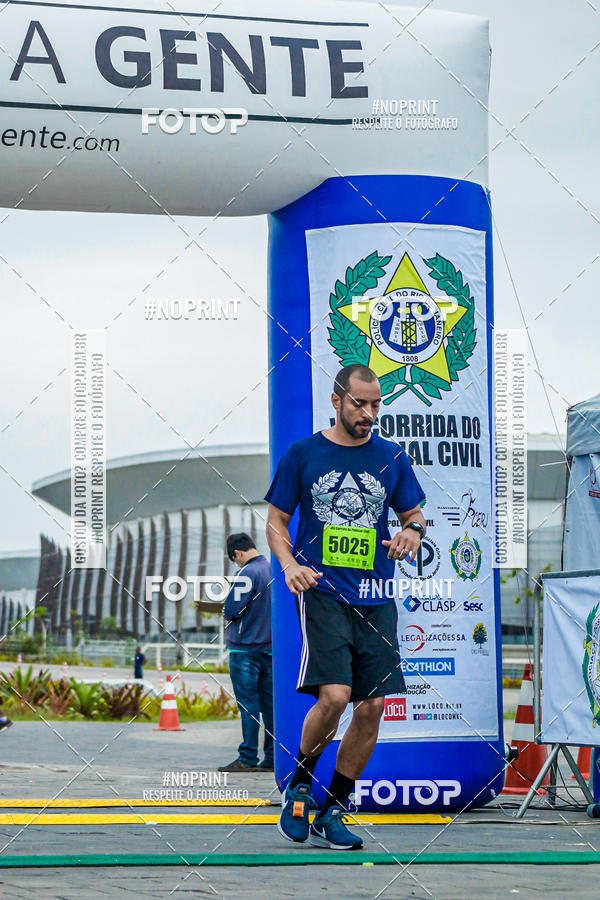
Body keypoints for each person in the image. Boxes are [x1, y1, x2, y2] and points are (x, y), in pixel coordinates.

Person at [265, 364, 426, 850]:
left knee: (372, 705)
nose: (369, 413)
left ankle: (334, 807)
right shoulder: (304, 454)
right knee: (334, 697)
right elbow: (275, 520)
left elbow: (414, 515)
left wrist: (411, 533)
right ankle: (298, 788)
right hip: (323, 591)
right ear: (336, 401)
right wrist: (290, 564)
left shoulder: (392, 457)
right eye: (359, 403)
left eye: (376, 405)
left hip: (376, 599)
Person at [218, 532, 274, 773]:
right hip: (270, 650)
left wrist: (224, 610)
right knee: (270, 705)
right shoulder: (273, 569)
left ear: (237, 554)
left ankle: (247, 756)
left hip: (245, 650)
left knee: (248, 705)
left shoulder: (246, 573)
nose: (236, 563)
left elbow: (232, 609)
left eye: (235, 559)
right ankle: (272, 757)